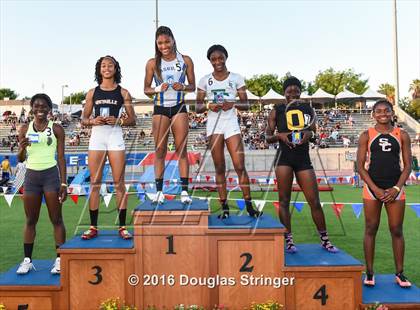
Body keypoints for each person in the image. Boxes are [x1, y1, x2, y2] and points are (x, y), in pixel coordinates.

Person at [265, 76, 337, 253]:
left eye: (296, 89)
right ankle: (288, 240)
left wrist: (308, 134)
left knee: (314, 201)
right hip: (284, 158)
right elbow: (267, 137)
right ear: (284, 92)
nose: (293, 92)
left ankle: (325, 239)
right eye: (289, 89)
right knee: (284, 201)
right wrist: (280, 136)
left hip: (303, 158)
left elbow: (314, 133)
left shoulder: (308, 109)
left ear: (300, 91)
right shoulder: (277, 109)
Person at [196, 44, 262, 218]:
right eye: (213, 59)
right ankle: (224, 208)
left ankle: (249, 207)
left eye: (220, 58)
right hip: (214, 125)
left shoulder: (236, 78)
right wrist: (210, 105)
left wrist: (231, 104)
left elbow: (246, 104)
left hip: (231, 124)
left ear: (226, 57)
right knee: (219, 167)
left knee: (240, 166)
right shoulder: (204, 80)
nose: (217, 61)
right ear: (210, 61)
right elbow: (197, 107)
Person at [357, 99, 412, 287]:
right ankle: (370, 273)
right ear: (373, 114)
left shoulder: (402, 135)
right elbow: (360, 167)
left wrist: (396, 188)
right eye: (378, 111)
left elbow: (407, 166)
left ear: (391, 113)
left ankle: (400, 273)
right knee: (371, 229)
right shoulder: (366, 135)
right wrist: (375, 189)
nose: (383, 114)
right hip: (373, 188)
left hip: (395, 188)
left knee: (396, 230)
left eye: (386, 110)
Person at [81, 55, 136, 240]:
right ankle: (93, 226)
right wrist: (92, 120)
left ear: (115, 68)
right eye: (103, 65)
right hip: (97, 137)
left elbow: (132, 119)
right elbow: (83, 120)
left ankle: (122, 226)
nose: (106, 68)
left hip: (115, 138)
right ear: (99, 69)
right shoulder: (92, 92)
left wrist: (118, 120)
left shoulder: (123, 92)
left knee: (119, 183)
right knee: (94, 183)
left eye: (110, 65)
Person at [16, 94, 67, 274]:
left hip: (51, 176)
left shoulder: (57, 129)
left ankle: (60, 260)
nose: (40, 109)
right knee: (30, 220)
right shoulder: (24, 128)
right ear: (31, 108)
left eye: (44, 106)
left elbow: (61, 158)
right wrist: (22, 147)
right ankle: (27, 260)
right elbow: (20, 159)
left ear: (49, 109)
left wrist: (64, 183)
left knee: (56, 219)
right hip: (31, 177)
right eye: (36, 106)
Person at [144, 26, 195, 205]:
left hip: (179, 107)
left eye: (166, 41)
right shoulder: (152, 63)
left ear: (173, 40)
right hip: (160, 108)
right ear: (156, 44)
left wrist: (184, 87)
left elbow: (192, 86)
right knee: (160, 152)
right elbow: (146, 90)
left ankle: (184, 192)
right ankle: (159, 192)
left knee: (182, 151)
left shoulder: (185, 60)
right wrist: (158, 88)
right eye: (160, 43)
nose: (164, 46)